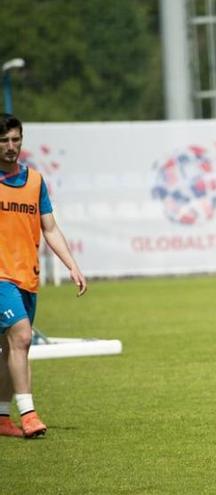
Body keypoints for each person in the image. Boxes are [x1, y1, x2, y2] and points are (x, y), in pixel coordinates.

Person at [0, 113, 87, 439]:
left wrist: (72, 265)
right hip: (1, 279)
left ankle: (2, 417)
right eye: (4, 141)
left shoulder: (35, 182)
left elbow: (49, 227)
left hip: (27, 277)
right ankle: (30, 414)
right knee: (22, 337)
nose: (11, 147)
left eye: (15, 139)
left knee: (10, 350)